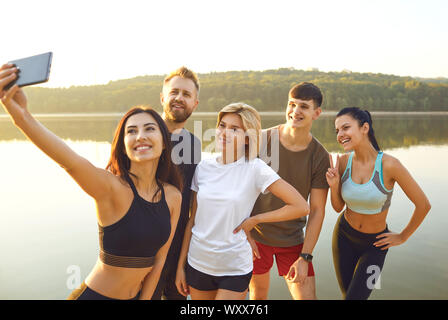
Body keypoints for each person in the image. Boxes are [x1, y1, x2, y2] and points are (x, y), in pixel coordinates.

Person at [0, 63, 182, 300]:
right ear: (123, 146)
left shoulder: (172, 196)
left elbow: (159, 261)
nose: (140, 136)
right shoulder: (110, 187)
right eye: (131, 131)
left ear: (164, 141)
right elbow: (70, 161)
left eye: (149, 129)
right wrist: (22, 116)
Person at [175, 103, 310, 300]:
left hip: (234, 266)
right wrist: (180, 266)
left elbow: (301, 206)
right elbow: (192, 221)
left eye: (234, 129)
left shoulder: (255, 168)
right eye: (222, 125)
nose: (224, 133)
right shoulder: (203, 167)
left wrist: (255, 220)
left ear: (248, 138)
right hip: (198, 262)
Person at [327, 107, 431, 300]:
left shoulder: (390, 165)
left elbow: (423, 205)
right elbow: (337, 207)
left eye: (346, 128)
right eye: (337, 131)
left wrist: (402, 236)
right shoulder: (342, 162)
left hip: (375, 246)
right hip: (343, 237)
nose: (340, 135)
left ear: (365, 127)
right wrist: (334, 186)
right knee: (347, 296)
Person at [249, 82, 330, 300]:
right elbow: (239, 192)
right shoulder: (261, 140)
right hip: (255, 237)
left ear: (317, 113)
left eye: (303, 106)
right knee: (258, 296)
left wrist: (306, 256)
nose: (295, 111)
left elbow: (317, 210)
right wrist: (245, 233)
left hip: (293, 240)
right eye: (292, 104)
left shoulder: (320, 156)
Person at [151, 66, 202, 300]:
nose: (179, 98)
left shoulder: (193, 145)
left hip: (178, 251)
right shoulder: (141, 135)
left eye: (186, 94)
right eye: (174, 92)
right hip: (143, 250)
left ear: (194, 104)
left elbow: (193, 204)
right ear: (163, 97)